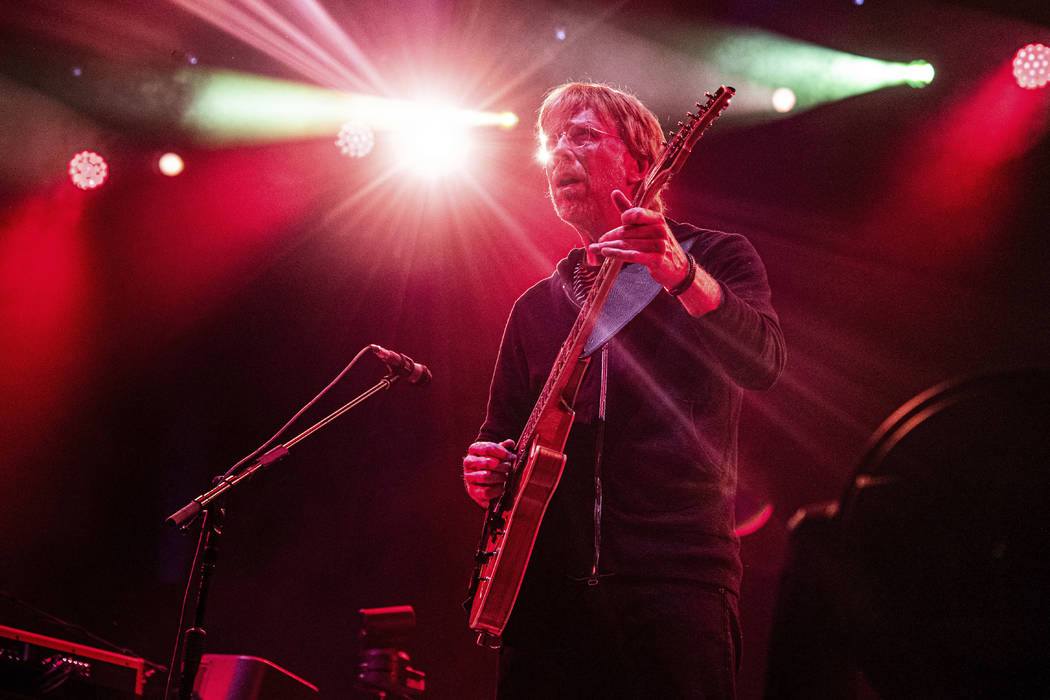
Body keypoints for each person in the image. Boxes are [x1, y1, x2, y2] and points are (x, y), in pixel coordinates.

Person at [462, 82, 786, 699]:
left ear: (642, 164)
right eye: (551, 141)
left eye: (582, 135)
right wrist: (485, 472)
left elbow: (763, 363)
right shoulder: (535, 308)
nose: (561, 152)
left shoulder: (716, 257)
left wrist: (680, 274)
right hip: (546, 595)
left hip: (674, 582)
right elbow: (496, 437)